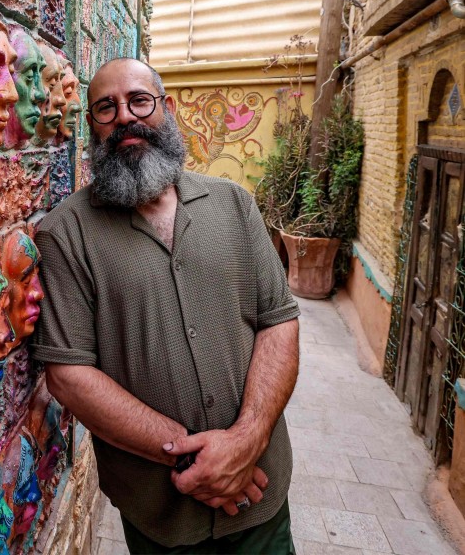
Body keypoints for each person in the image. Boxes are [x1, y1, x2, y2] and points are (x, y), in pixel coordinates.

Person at [33, 57, 301, 553]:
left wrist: (246, 441)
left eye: (139, 100)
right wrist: (193, 459)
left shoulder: (235, 205)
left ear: (167, 108)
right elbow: (69, 375)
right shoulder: (65, 234)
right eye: (105, 108)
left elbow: (278, 321)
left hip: (259, 494)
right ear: (90, 126)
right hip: (161, 514)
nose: (126, 118)